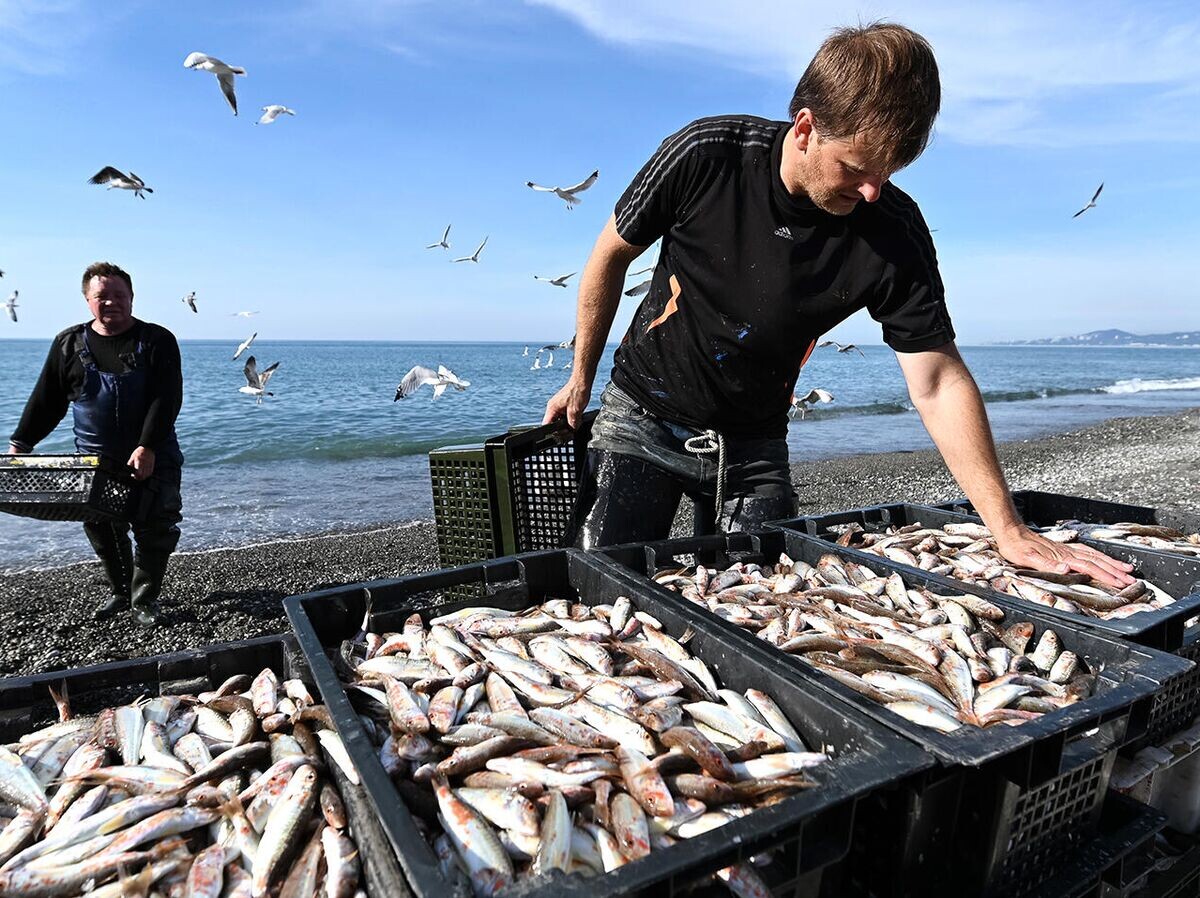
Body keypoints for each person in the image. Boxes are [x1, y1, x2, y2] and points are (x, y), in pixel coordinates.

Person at [544, 22, 1133, 588]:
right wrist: (579, 379)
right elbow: (608, 256)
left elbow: (937, 382)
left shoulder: (892, 231)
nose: (873, 190)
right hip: (643, 412)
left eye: (888, 173)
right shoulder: (707, 154)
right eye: (856, 168)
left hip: (755, 442)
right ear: (805, 127)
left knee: (761, 601)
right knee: (601, 583)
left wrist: (1006, 528)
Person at [8, 262, 185, 625]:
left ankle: (144, 600)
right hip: (94, 461)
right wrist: (21, 444)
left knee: (157, 526)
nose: (111, 303)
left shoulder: (156, 340)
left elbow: (167, 398)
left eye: (119, 295)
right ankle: (121, 593)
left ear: (132, 298)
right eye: (101, 296)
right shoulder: (69, 343)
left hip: (155, 454)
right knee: (103, 528)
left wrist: (147, 445)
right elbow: (47, 399)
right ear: (87, 300)